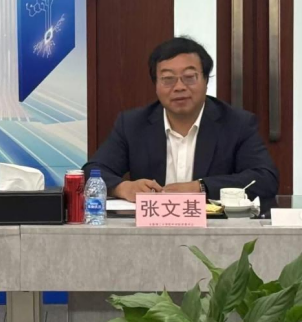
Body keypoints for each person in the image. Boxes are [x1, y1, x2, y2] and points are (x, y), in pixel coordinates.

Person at [84, 37, 279, 203]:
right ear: (156, 85)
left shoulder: (236, 123)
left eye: (189, 77)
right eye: (168, 79)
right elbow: (91, 172)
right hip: (152, 228)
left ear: (206, 80)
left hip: (215, 229)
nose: (179, 87)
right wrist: (122, 187)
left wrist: (201, 188)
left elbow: (265, 179)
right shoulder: (133, 124)